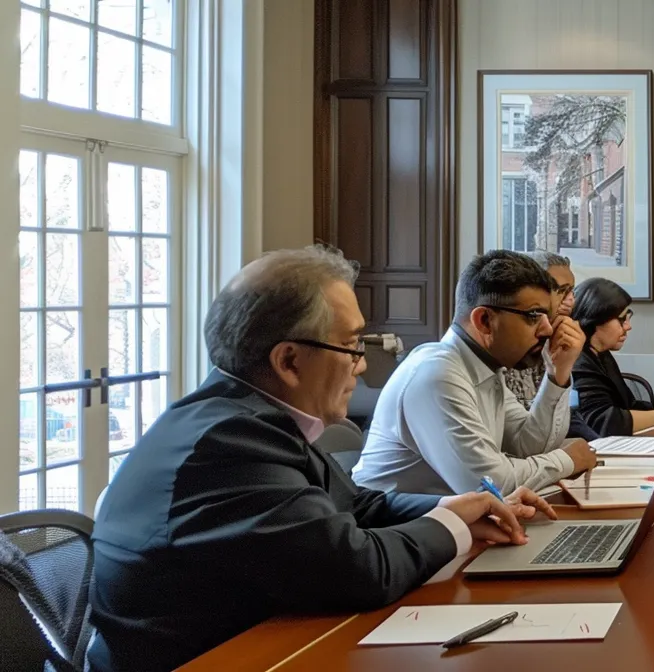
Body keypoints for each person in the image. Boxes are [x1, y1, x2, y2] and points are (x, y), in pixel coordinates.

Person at [89, 246, 553, 672]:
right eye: (352, 346)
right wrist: (451, 527)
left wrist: (464, 508)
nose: (362, 364)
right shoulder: (229, 446)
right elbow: (361, 570)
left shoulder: (246, 416)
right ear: (289, 361)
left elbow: (354, 507)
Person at [354, 250, 600, 495]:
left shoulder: (486, 369)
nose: (547, 329)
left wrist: (558, 373)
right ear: (484, 320)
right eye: (534, 316)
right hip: (389, 529)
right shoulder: (437, 374)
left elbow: (529, 446)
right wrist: (567, 460)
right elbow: (489, 485)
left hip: (443, 525)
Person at [569, 277, 654, 435]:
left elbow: (629, 406)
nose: (628, 326)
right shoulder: (576, 361)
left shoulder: (602, 355)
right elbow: (604, 422)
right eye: (621, 320)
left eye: (628, 317)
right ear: (595, 319)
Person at [500, 251, 600, 442]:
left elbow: (568, 419)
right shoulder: (510, 348)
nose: (571, 301)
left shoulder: (557, 341)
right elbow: (521, 439)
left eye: (571, 291)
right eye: (561, 291)